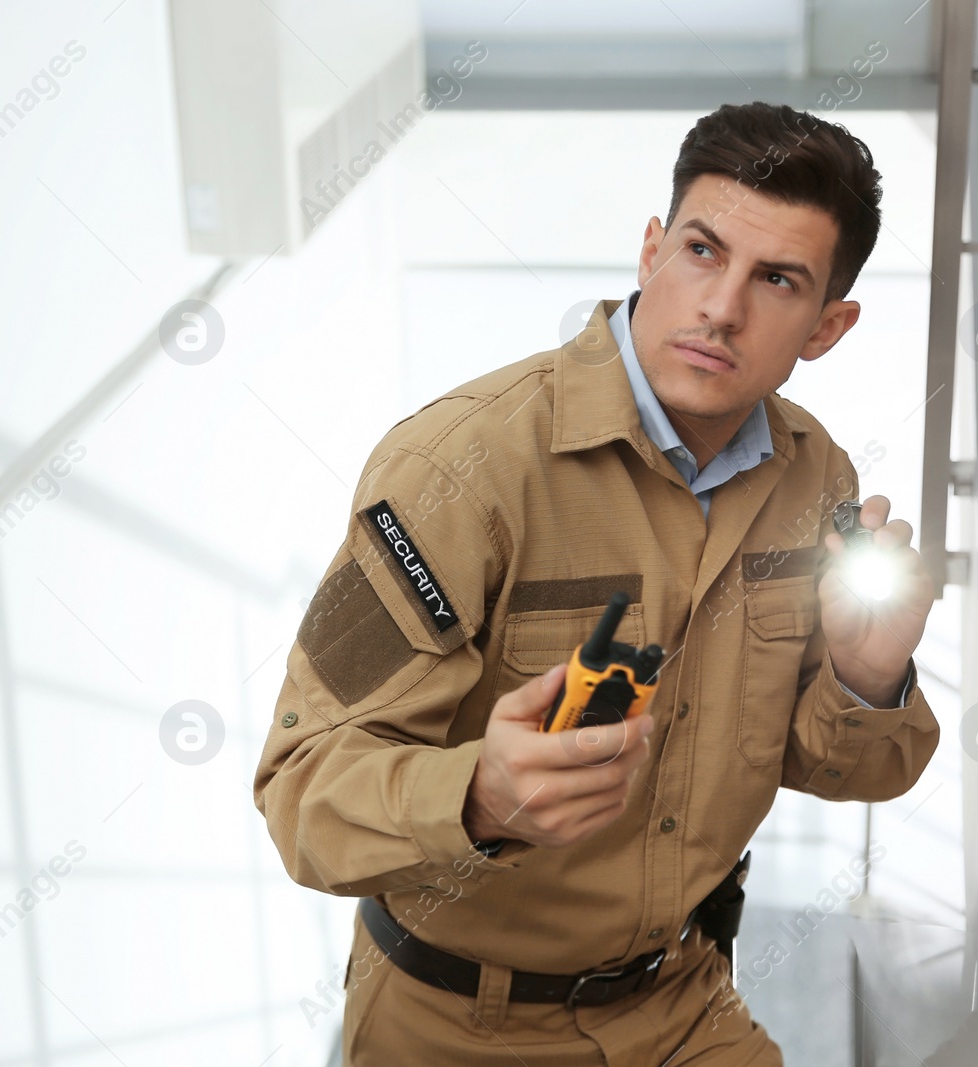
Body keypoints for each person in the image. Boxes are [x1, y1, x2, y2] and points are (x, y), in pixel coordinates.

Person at [253, 100, 940, 1066]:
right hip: (452, 1025)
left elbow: (845, 768)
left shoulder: (816, 476)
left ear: (827, 326)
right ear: (652, 250)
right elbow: (302, 791)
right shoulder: (453, 467)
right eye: (703, 251)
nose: (722, 307)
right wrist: (479, 798)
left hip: (683, 998)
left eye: (776, 279)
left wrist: (867, 679)